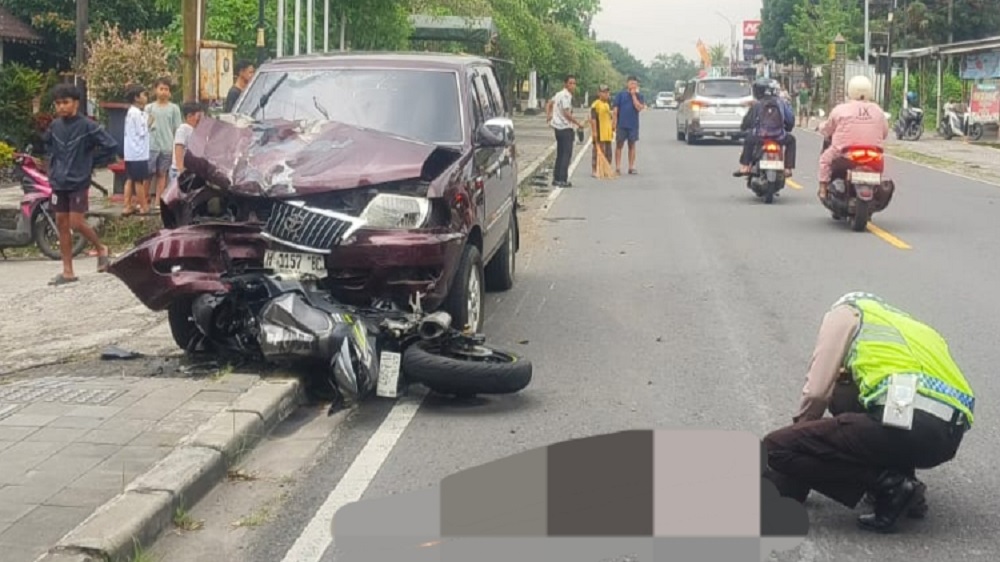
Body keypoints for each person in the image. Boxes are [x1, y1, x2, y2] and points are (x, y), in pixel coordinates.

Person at [762, 292, 975, 533]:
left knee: (774, 446)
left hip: (910, 424)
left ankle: (891, 485)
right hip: (947, 436)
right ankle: (907, 490)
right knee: (862, 397)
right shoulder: (911, 326)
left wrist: (799, 444)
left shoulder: (846, 313)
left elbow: (818, 392)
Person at [42, 84, 118, 285]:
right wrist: (52, 168)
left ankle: (101, 248)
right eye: (58, 103)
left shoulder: (88, 126)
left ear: (76, 103)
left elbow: (111, 146)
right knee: (61, 223)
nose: (61, 107)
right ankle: (67, 271)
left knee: (76, 223)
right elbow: (48, 146)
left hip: (78, 181)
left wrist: (91, 162)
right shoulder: (55, 126)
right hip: (59, 182)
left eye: (65, 102)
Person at [817, 75, 888, 200]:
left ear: (850, 90)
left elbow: (828, 129)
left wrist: (819, 127)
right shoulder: (878, 111)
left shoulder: (841, 110)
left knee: (824, 160)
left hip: (846, 154)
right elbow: (885, 133)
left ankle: (823, 189)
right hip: (873, 156)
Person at [736, 77, 796, 177]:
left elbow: (747, 121)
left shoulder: (757, 104)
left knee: (749, 140)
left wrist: (743, 128)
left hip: (760, 137)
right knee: (791, 140)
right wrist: (788, 128)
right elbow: (790, 120)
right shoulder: (781, 103)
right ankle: (788, 168)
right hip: (779, 137)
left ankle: (745, 166)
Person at [145, 77, 183, 210]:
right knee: (148, 174)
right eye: (161, 89)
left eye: (166, 89)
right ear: (155, 90)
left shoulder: (174, 108)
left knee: (162, 174)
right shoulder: (149, 108)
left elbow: (177, 129)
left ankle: (158, 202)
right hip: (151, 146)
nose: (164, 92)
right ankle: (144, 200)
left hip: (167, 146)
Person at [545, 75, 584, 187]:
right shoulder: (566, 96)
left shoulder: (558, 94)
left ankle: (556, 178)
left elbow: (549, 103)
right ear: (565, 84)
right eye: (570, 83)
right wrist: (578, 123)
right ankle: (562, 179)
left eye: (574, 83)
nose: (573, 85)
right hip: (565, 128)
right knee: (566, 154)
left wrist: (549, 115)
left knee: (560, 153)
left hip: (557, 128)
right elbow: (567, 113)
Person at [123, 84, 152, 215]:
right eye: (144, 95)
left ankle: (127, 205)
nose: (146, 97)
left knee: (130, 179)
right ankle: (143, 206)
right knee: (139, 181)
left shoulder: (130, 112)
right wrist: (150, 122)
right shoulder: (138, 114)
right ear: (136, 98)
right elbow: (142, 131)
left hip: (130, 152)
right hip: (138, 153)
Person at [612, 76, 646, 175]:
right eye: (631, 83)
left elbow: (639, 108)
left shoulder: (640, 96)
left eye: (635, 84)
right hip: (621, 124)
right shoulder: (620, 95)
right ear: (627, 84)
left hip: (633, 125)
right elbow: (615, 109)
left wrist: (633, 96)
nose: (633, 86)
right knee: (619, 144)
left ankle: (631, 166)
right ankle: (618, 167)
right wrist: (614, 122)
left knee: (632, 145)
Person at [172, 101, 205, 182]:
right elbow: (179, 147)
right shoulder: (183, 129)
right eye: (199, 116)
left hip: (190, 170)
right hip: (180, 171)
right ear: (189, 116)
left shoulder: (195, 130)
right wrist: (180, 168)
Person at [590, 84, 615, 177]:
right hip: (600, 131)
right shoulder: (595, 105)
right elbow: (593, 119)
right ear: (599, 93)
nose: (606, 94)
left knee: (608, 152)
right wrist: (594, 132)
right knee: (598, 152)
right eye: (604, 92)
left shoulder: (607, 104)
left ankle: (606, 169)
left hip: (607, 133)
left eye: (607, 92)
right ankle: (595, 169)